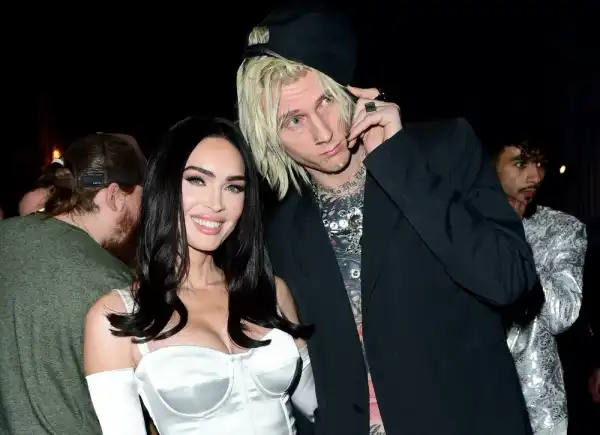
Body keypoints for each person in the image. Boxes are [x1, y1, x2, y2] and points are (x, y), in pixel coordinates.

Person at [235, 2, 538, 434]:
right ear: (271, 137)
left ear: (349, 89)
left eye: (325, 100)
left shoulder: (443, 152)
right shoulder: (278, 232)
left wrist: (399, 165)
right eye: (294, 120)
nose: (323, 132)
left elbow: (510, 282)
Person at [83, 117, 316, 434]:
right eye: (197, 180)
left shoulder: (271, 292)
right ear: (165, 185)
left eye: (233, 187)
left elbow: (322, 406)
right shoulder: (117, 316)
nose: (216, 204)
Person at [0, 133, 146, 434]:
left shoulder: (5, 237)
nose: (142, 214)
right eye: (140, 199)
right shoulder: (113, 284)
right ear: (115, 196)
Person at [492, 139, 586, 435]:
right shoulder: (464, 226)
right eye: (520, 163)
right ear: (490, 166)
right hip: (470, 395)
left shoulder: (563, 229)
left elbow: (561, 316)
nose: (535, 176)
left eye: (540, 164)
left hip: (537, 408)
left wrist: (515, 240)